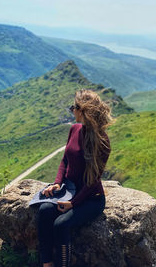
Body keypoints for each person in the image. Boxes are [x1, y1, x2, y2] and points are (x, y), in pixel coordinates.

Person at [37, 89, 112, 267]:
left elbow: (94, 180)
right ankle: (46, 264)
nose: (72, 110)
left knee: (61, 225)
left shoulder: (102, 141)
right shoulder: (74, 129)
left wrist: (74, 203)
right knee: (44, 211)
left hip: (90, 198)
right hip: (68, 190)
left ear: (83, 110)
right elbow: (65, 160)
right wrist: (56, 184)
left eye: (74, 107)